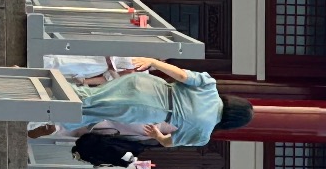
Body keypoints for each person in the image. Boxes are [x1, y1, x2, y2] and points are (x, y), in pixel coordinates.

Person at [34, 57, 253, 147]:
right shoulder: (203, 134)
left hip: (149, 85)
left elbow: (181, 75)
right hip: (146, 111)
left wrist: (153, 62)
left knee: (90, 100)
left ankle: (39, 91)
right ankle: (41, 103)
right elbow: (168, 142)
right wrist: (156, 134)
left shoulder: (210, 86)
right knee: (89, 106)